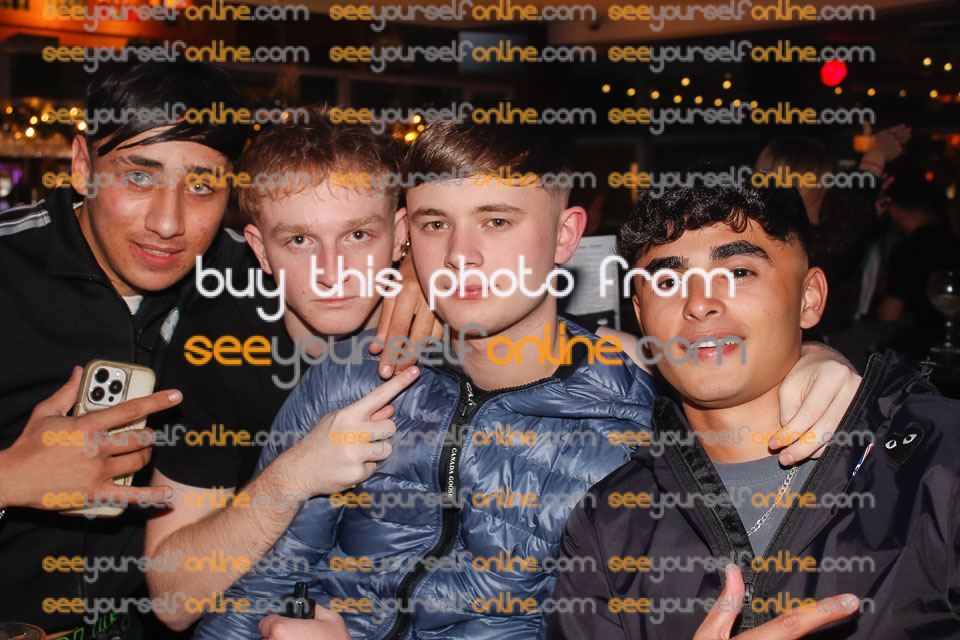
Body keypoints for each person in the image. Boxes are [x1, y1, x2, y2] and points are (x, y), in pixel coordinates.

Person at [192, 120, 862, 640]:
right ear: (407, 238)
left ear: (565, 237)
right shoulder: (354, 377)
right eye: (436, 225)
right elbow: (248, 597)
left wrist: (813, 356)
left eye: (497, 221)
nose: (461, 256)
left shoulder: (637, 420)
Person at [547, 177, 960, 638]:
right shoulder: (610, 521)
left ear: (808, 298)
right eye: (667, 281)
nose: (699, 304)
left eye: (739, 272)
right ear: (642, 317)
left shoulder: (937, 462)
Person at [142, 107, 430, 632]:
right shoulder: (221, 345)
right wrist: (296, 474)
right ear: (260, 250)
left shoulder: (453, 323)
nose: (331, 272)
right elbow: (171, 598)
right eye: (299, 240)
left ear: (399, 234)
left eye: (358, 235)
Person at [0, 61, 251, 633]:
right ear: (82, 165)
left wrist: (410, 277)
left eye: (202, 186)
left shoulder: (251, 278)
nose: (167, 223)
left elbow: (355, 251)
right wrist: (11, 478)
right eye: (139, 177)